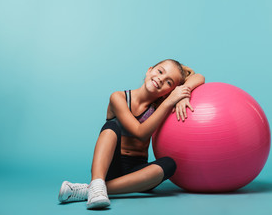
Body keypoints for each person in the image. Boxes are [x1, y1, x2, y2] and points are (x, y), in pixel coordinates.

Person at [58, 59, 205, 209]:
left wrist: (183, 93)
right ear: (149, 70)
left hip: (138, 174)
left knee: (169, 164)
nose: (161, 79)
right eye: (160, 71)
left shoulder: (159, 106)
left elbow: (199, 77)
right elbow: (139, 132)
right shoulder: (118, 97)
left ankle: (90, 190)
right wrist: (170, 101)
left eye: (169, 82)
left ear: (170, 91)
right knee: (111, 126)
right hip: (108, 167)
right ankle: (97, 182)